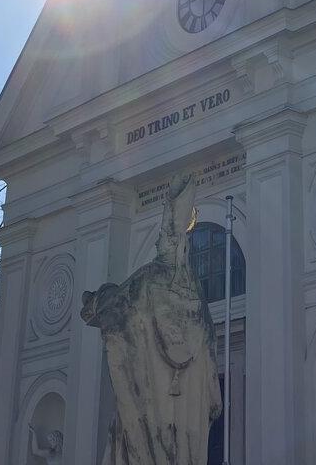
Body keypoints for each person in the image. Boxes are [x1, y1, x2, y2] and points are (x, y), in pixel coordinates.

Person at [81, 173, 222, 465]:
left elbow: (115, 306)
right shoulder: (195, 294)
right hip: (185, 405)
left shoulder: (149, 279)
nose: (159, 243)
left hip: (155, 400)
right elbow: (209, 348)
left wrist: (95, 299)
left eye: (161, 239)